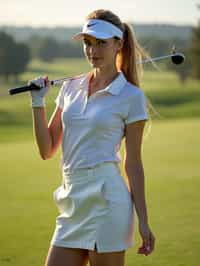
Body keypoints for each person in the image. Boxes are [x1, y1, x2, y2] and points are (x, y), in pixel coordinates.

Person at [29, 9, 155, 266]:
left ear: (118, 44)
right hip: (72, 200)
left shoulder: (130, 96)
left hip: (107, 201)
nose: (92, 50)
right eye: (87, 42)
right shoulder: (70, 87)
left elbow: (133, 165)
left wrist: (143, 220)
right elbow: (47, 149)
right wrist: (37, 102)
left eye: (101, 43)